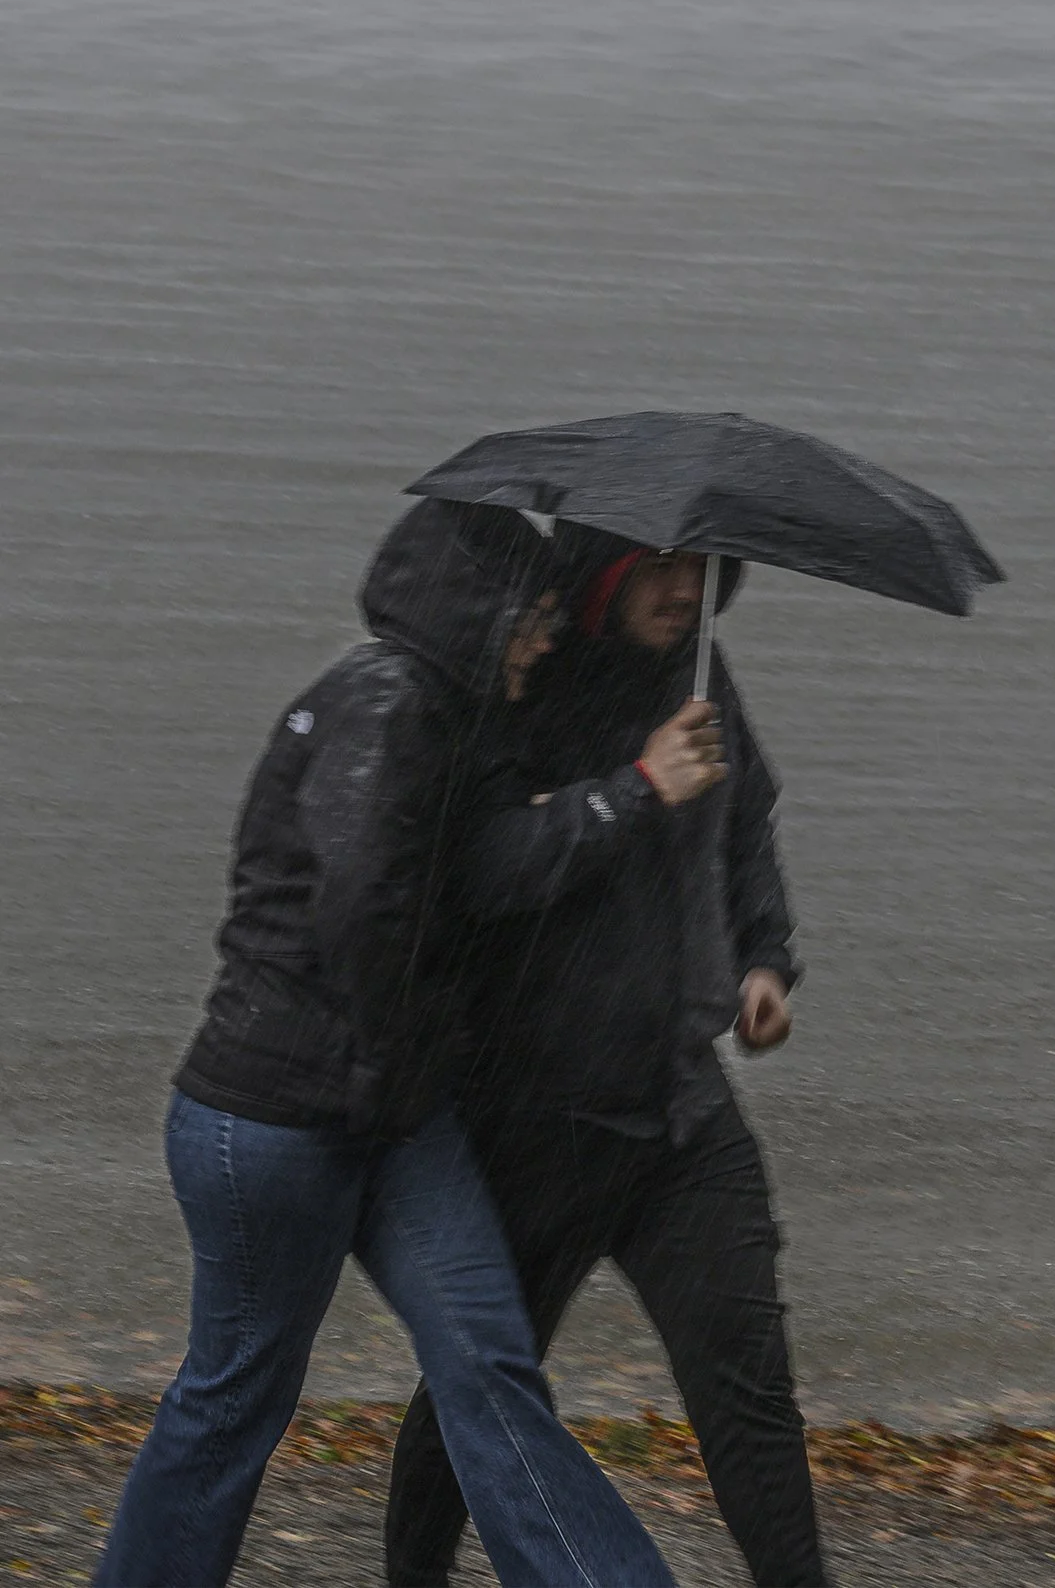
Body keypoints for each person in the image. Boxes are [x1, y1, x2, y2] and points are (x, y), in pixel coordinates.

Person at [92, 500, 680, 1588]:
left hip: (395, 1111)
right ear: (478, 609)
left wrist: (615, 795)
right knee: (235, 1397)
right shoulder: (385, 703)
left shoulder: (456, 717)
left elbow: (481, 875)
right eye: (534, 620)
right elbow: (361, 909)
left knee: (489, 1366)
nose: (543, 641)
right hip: (275, 1116)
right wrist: (384, 1068)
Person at [384, 537, 827, 1588]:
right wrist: (637, 785)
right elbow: (487, 871)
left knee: (749, 1389)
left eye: (704, 567)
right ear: (604, 571)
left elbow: (745, 827)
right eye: (661, 567)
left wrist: (764, 961)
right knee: (484, 1386)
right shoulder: (523, 683)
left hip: (680, 1112)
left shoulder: (701, 672)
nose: (687, 588)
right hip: (536, 1119)